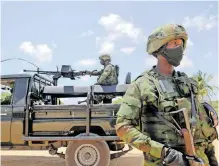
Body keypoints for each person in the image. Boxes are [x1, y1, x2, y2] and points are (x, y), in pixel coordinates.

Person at [115, 24, 218, 166]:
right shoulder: (143, 85)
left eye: (181, 44)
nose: (180, 48)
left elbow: (202, 132)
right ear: (159, 47)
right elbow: (123, 127)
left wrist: (212, 159)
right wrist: (165, 153)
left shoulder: (187, 83)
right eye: (174, 43)